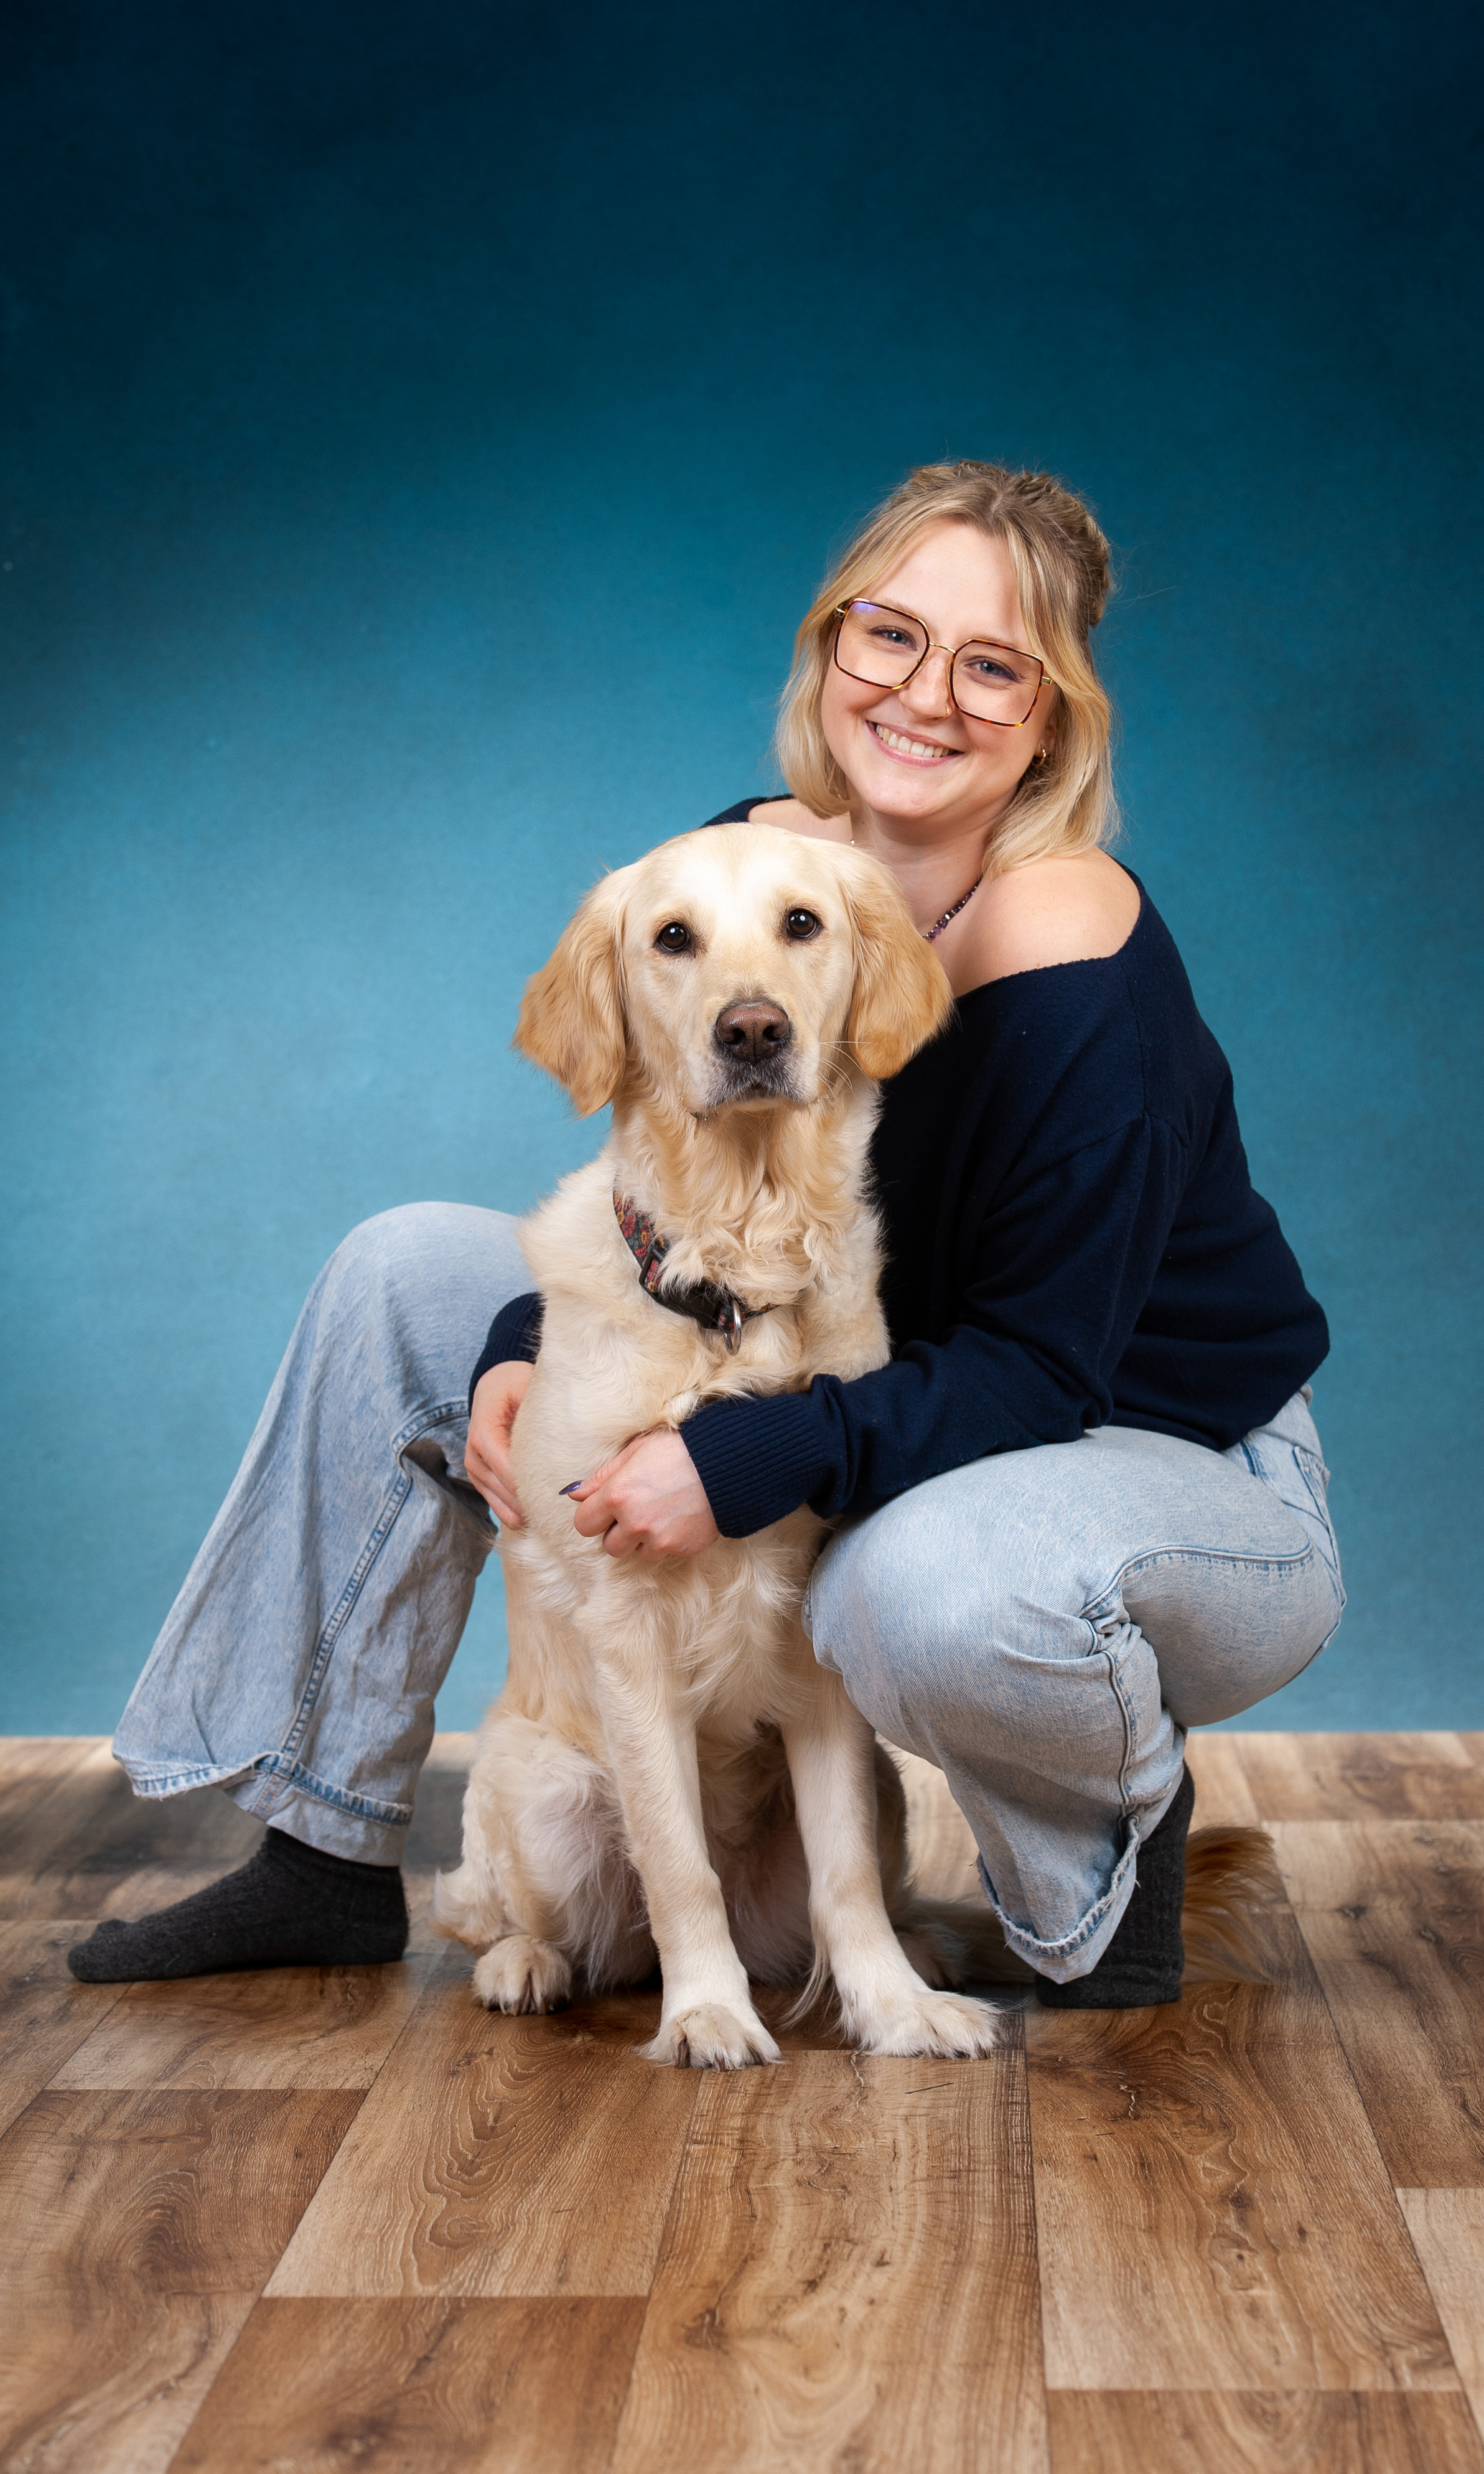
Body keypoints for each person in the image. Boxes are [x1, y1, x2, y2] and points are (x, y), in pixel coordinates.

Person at [70, 460, 1342, 2007]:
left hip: (1145, 1456)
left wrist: (744, 1457)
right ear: (830, 646)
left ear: (1051, 722)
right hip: (844, 1362)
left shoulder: (1087, 979)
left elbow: (1035, 1370)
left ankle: (1106, 1846)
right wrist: (529, 1343)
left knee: (905, 1584)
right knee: (405, 1273)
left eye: (990, 665)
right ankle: (319, 1848)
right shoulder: (749, 865)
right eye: (890, 635)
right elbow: (652, 1177)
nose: (922, 695)